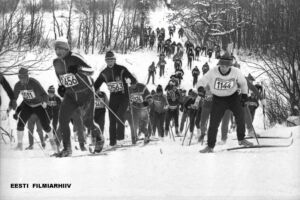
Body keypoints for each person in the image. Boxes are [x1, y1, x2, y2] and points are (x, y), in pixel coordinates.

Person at [53, 37, 104, 157]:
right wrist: (61, 87)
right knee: (62, 119)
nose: (57, 51)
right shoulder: (56, 62)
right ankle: (67, 148)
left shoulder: (75, 57)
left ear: (66, 48)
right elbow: (60, 77)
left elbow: (91, 70)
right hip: (70, 95)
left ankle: (99, 137)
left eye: (60, 49)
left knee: (87, 122)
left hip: (86, 93)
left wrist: (78, 68)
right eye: (56, 49)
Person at [197, 52, 253, 153]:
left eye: (226, 66)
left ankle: (241, 139)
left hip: (233, 97)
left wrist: (244, 95)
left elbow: (243, 83)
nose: (224, 68)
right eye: (222, 66)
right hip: (218, 99)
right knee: (214, 123)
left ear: (230, 66)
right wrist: (200, 88)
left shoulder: (236, 71)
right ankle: (210, 146)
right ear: (219, 65)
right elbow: (202, 80)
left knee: (240, 116)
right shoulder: (213, 72)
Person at [94, 50, 137, 146]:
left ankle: (120, 139)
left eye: (111, 60)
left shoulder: (122, 69)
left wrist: (131, 80)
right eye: (108, 60)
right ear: (106, 61)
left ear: (114, 60)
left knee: (119, 115)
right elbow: (95, 85)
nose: (109, 62)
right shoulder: (104, 73)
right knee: (112, 118)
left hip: (124, 96)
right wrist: (91, 89)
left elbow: (133, 80)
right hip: (113, 96)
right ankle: (112, 142)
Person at [10, 68, 58, 152]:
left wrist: (45, 102)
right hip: (28, 105)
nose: (22, 80)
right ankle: (19, 145)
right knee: (20, 124)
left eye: (23, 78)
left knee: (45, 126)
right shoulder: (17, 85)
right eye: (20, 78)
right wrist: (13, 102)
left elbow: (44, 94)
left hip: (38, 105)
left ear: (27, 76)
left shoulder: (34, 83)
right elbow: (14, 97)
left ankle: (52, 142)